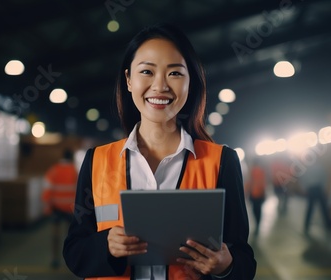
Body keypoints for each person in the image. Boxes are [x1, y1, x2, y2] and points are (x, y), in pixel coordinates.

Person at [63, 23, 256, 279]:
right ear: (129, 80)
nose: (160, 86)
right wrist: (107, 246)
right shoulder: (97, 160)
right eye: (147, 71)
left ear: (190, 83)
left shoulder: (221, 162)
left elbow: (243, 261)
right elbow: (75, 250)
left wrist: (225, 266)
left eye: (175, 73)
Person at [42, 148, 78, 268]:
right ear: (71, 157)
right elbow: (80, 190)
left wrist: (47, 205)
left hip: (56, 207)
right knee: (70, 236)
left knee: (55, 235)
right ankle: (71, 259)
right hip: (70, 208)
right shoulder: (74, 170)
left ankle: (55, 259)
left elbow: (47, 189)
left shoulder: (54, 170)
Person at [299, 159, 331, 235]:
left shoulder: (306, 168)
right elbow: (324, 177)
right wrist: (323, 187)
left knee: (310, 207)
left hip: (311, 189)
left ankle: (306, 224)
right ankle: (328, 224)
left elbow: (303, 179)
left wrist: (304, 188)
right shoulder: (319, 167)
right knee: (323, 207)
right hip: (318, 188)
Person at [245, 158, 266, 236]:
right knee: (258, 210)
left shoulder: (252, 170)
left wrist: (245, 192)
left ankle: (257, 225)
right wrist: (264, 194)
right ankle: (258, 224)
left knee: (255, 210)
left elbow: (249, 182)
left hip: (253, 194)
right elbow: (263, 183)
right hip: (259, 194)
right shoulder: (261, 171)